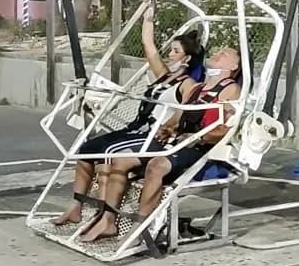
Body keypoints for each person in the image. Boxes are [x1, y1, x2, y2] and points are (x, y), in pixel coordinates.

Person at [54, 0, 204, 228]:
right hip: (137, 127)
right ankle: (76, 206)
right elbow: (148, 46)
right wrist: (148, 18)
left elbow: (188, 111)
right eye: (171, 50)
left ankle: (106, 217)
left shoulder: (188, 84)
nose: (170, 55)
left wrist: (173, 125)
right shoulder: (164, 76)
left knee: (107, 155)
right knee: (85, 149)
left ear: (187, 58)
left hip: (152, 133)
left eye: (176, 51)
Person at [80, 45, 243, 242]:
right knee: (120, 161)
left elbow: (224, 129)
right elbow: (178, 115)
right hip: (177, 141)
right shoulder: (197, 89)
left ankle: (140, 228)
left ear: (234, 66)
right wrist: (166, 128)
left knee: (157, 166)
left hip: (198, 146)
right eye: (217, 51)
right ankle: (108, 220)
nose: (217, 53)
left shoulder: (230, 90)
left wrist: (198, 138)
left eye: (224, 54)